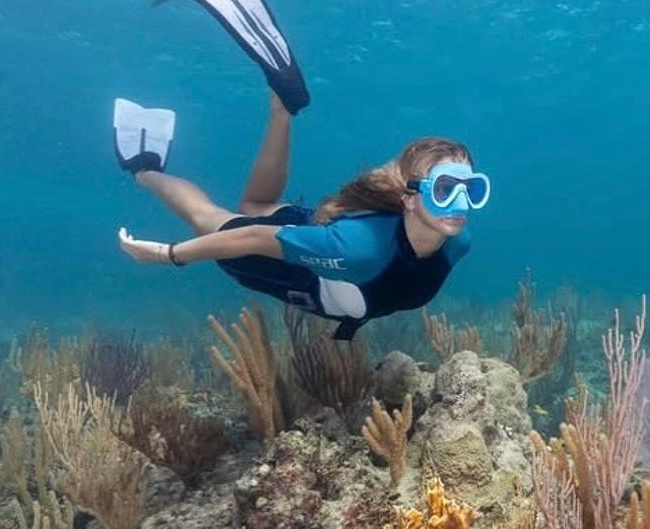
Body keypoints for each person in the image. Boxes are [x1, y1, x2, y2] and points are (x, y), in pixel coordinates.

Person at [114, 0, 491, 340]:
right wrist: (169, 254)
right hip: (295, 267)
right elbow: (256, 239)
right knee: (207, 216)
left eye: (471, 190)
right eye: (445, 189)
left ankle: (283, 108)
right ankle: (144, 169)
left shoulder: (458, 242)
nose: (460, 204)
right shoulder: (360, 249)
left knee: (257, 202)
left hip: (317, 234)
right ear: (410, 199)